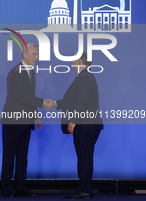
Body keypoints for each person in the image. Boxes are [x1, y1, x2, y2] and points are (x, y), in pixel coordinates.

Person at [1, 43, 54, 198]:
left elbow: (29, 96)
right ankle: (6, 187)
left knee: (23, 156)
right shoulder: (16, 72)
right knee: (9, 156)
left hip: (26, 120)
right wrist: (43, 102)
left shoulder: (30, 71)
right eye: (34, 54)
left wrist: (36, 115)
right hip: (13, 120)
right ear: (24, 54)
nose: (36, 58)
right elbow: (23, 95)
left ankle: (20, 187)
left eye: (37, 54)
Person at [55, 52, 103, 199]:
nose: (71, 63)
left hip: (85, 125)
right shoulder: (85, 77)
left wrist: (74, 120)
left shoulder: (84, 78)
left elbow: (81, 101)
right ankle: (85, 188)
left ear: (78, 61)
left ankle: (85, 190)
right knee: (85, 158)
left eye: (73, 60)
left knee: (85, 158)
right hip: (87, 125)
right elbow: (72, 100)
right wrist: (55, 103)